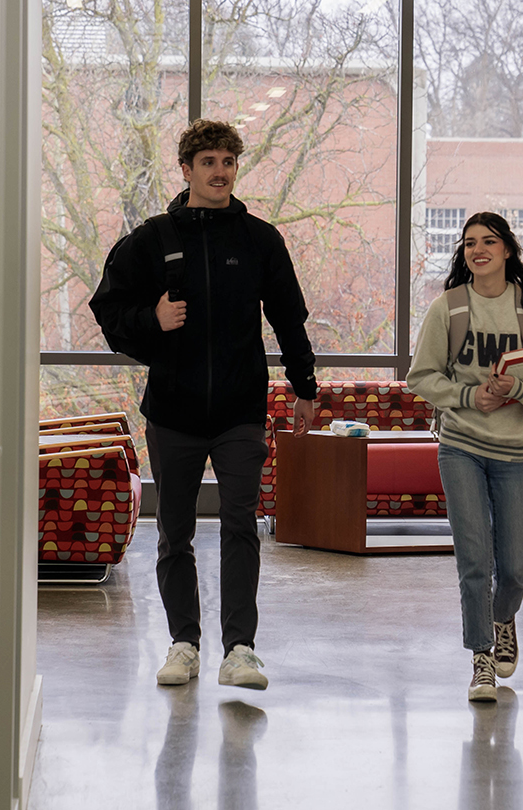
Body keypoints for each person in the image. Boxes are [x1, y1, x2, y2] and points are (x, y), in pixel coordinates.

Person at [89, 119, 318, 690]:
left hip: (241, 410)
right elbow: (109, 311)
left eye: (229, 162)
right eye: (209, 162)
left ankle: (239, 650)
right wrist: (154, 322)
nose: (220, 172)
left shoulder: (260, 240)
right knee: (174, 532)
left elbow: (289, 318)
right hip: (173, 412)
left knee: (241, 524)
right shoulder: (153, 238)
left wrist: (306, 388)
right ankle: (184, 644)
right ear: (186, 170)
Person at [406, 211, 523, 702]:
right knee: (474, 558)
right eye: (470, 243)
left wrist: (517, 386)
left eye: (489, 242)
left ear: (507, 251)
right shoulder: (449, 308)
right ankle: (481, 657)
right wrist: (468, 396)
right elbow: (421, 377)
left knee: (515, 567)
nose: (478, 250)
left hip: (518, 451)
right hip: (462, 447)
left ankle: (503, 619)